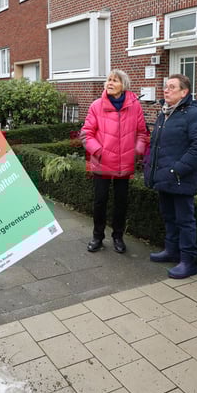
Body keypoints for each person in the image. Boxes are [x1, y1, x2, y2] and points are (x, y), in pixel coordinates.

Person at [143, 73, 197, 279]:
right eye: (166, 86)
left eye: (172, 87)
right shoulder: (164, 113)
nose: (166, 90)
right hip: (164, 178)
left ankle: (188, 261)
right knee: (169, 216)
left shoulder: (195, 114)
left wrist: (178, 170)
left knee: (185, 220)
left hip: (180, 178)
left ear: (184, 92)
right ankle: (171, 251)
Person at [81, 69, 149, 254]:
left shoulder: (135, 106)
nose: (110, 83)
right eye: (108, 80)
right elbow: (86, 134)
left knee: (121, 202)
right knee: (100, 202)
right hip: (102, 163)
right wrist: (99, 152)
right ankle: (97, 236)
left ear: (124, 86)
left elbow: (142, 133)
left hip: (124, 164)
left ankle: (118, 237)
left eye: (115, 81)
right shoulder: (96, 105)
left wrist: (136, 152)